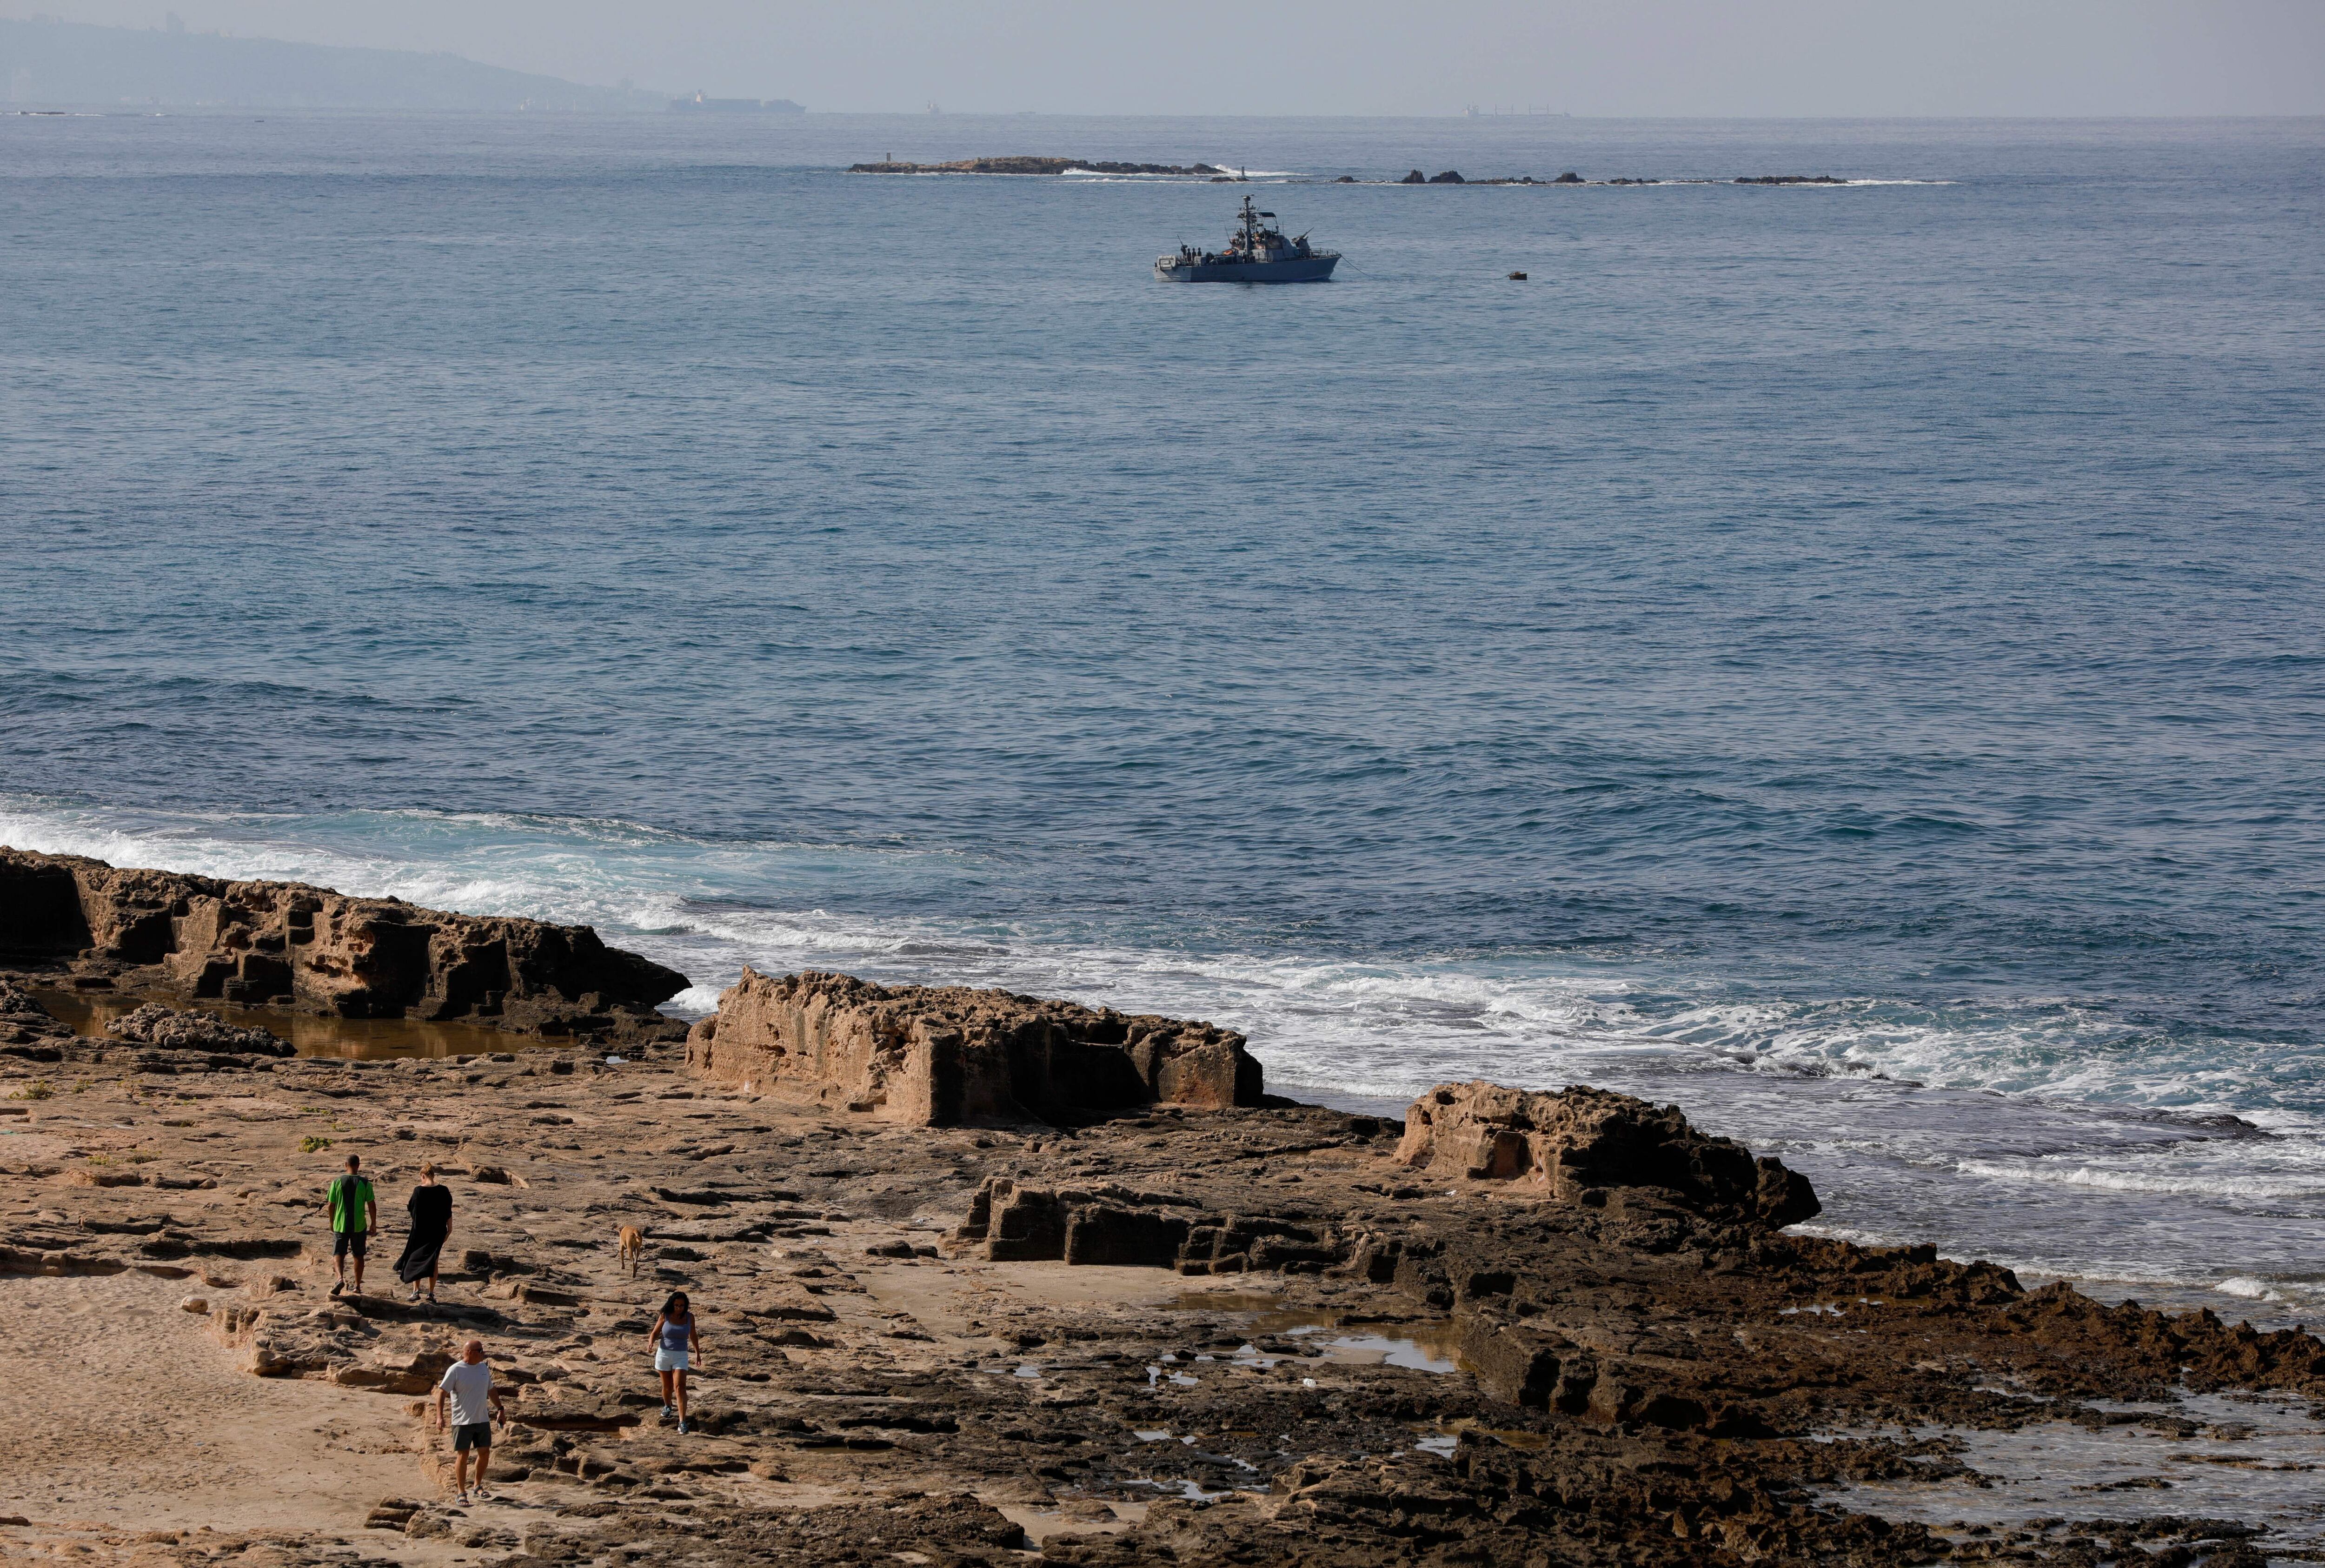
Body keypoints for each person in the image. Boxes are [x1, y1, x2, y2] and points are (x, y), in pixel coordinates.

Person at [434, 1338, 507, 1504]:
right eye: (480, 1351)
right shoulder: (456, 1370)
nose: (484, 1354)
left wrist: (500, 1409)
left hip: (481, 1419)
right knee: (463, 1455)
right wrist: (439, 1417)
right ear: (469, 1353)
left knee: (485, 1452)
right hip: (462, 1421)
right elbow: (441, 1393)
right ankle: (461, 1492)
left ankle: (478, 1486)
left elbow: (492, 1390)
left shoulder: (483, 1368)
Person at [647, 1290, 704, 1435]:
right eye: (677, 1305)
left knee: (680, 1387)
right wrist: (651, 1343)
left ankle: (682, 1422)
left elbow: (693, 1335)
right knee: (668, 1387)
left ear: (686, 1306)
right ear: (672, 1304)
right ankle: (667, 1406)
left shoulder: (690, 1317)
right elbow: (655, 1333)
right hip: (664, 1354)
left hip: (681, 1355)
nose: (679, 1308)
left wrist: (697, 1353)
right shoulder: (665, 1315)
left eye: (682, 1306)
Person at [395, 1162, 452, 1303]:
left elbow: (412, 1210)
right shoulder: (444, 1191)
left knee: (416, 1260)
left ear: (423, 1176)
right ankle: (431, 1293)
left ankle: (416, 1291)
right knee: (434, 1261)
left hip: (420, 1231)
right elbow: (448, 1212)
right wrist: (449, 1229)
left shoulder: (418, 1191)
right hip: (438, 1232)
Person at [326, 1152, 377, 1298]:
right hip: (359, 1225)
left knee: (338, 1254)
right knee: (359, 1255)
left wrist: (332, 1221)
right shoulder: (365, 1183)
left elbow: (331, 1205)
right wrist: (374, 1223)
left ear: (345, 1165)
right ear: (358, 1166)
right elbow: (372, 1204)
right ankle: (357, 1286)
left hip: (340, 1224)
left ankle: (340, 1278)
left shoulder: (337, 1182)